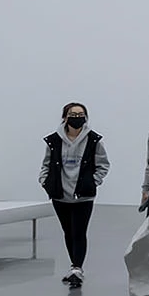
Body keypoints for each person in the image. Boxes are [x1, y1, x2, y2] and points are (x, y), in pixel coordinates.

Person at [40, 102, 110, 286]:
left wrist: (93, 182)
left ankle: (77, 268)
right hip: (60, 195)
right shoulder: (54, 140)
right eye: (73, 114)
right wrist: (45, 181)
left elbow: (103, 165)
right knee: (68, 232)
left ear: (85, 117)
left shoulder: (94, 140)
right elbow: (46, 164)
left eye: (80, 114)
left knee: (79, 232)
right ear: (65, 117)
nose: (77, 117)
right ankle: (74, 267)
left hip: (83, 196)